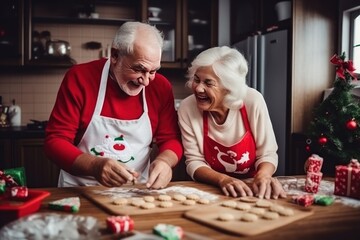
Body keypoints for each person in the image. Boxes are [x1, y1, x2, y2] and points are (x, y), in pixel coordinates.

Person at [44, 21, 183, 188]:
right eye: (139, 69)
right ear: (115, 55)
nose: (146, 81)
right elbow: (55, 141)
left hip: (137, 191)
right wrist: (94, 166)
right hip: (81, 190)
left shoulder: (161, 87)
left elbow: (171, 139)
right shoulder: (80, 78)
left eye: (153, 71)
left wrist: (165, 161)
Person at [177, 46, 286, 199]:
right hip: (209, 190)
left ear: (228, 89)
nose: (198, 88)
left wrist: (263, 176)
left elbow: (267, 153)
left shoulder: (252, 101)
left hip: (253, 189)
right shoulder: (187, 108)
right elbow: (194, 161)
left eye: (208, 83)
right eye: (196, 80)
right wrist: (223, 180)